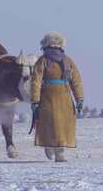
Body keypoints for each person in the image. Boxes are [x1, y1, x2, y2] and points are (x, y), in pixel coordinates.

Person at [31, 31, 84, 162]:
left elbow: (35, 82)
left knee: (57, 125)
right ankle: (51, 147)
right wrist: (79, 98)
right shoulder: (48, 61)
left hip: (57, 98)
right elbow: (36, 81)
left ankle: (57, 151)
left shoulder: (60, 61)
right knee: (54, 124)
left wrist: (35, 100)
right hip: (56, 97)